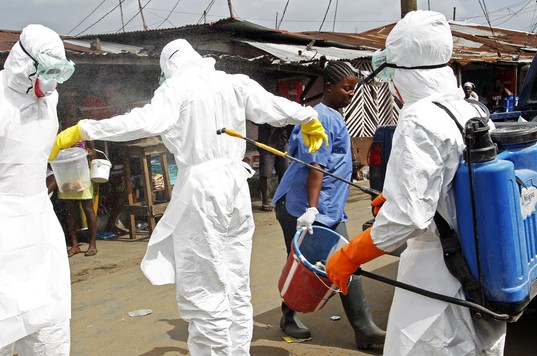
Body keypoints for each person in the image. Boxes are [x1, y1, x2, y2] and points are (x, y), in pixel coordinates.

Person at [49, 38, 328, 356]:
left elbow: (143, 121)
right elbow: (272, 108)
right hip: (235, 187)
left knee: (204, 283)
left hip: (203, 190)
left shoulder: (176, 88)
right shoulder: (232, 83)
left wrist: (84, 129)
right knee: (235, 279)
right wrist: (307, 117)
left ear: (169, 66)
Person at [325, 10, 507, 355]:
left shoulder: (418, 118)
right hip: (483, 267)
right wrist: (393, 199)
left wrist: (349, 255)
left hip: (440, 280)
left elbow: (408, 219)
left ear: (402, 72)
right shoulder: (472, 109)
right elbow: (452, 187)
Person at [271, 58, 386, 349]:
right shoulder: (320, 117)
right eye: (346, 89)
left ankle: (364, 330)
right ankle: (293, 318)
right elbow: (316, 168)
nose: (350, 94)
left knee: (344, 262)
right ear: (330, 86)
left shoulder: (332, 114)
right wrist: (311, 210)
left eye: (353, 89)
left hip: (328, 206)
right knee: (307, 265)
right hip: (302, 206)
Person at [0, 24, 75, 355]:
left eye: (58, 72)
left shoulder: (51, 99)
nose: (52, 80)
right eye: (47, 72)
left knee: (50, 324)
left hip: (40, 224)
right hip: (4, 223)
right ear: (24, 63)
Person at [57, 101, 100, 257]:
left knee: (88, 209)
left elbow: (93, 150)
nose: (71, 117)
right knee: (69, 211)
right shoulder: (59, 130)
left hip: (82, 174)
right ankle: (75, 245)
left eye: (73, 114)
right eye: (68, 114)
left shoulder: (82, 129)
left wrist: (89, 151)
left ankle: (92, 244)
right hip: (66, 175)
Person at [257, 122, 290, 211]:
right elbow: (255, 119)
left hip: (282, 141)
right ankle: (265, 200)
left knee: (285, 173)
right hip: (266, 141)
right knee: (265, 173)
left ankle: (282, 199)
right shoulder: (263, 108)